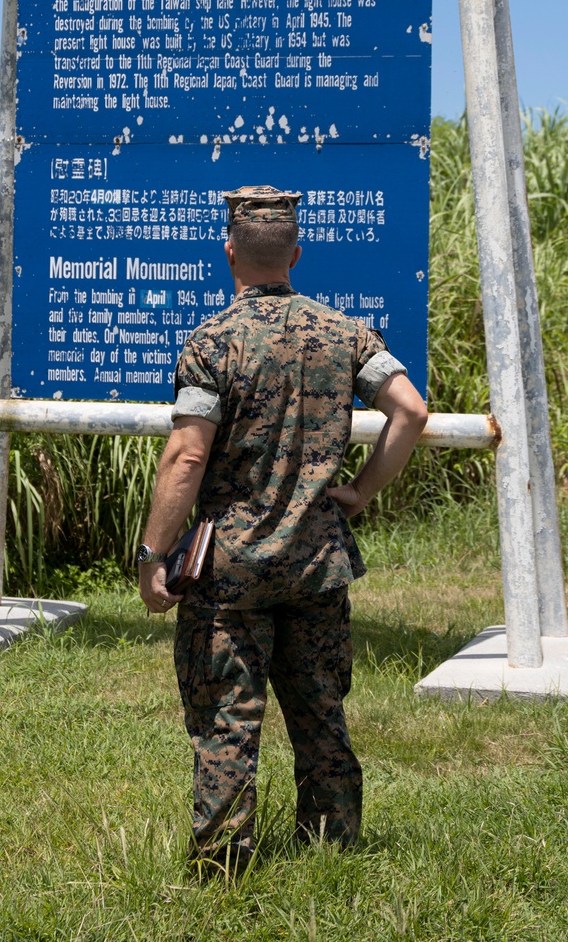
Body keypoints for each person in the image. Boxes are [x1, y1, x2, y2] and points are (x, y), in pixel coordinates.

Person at [136, 184, 428, 872]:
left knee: (228, 720)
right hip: (317, 562)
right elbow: (410, 412)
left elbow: (187, 452)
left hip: (230, 573)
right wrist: (358, 491)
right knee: (320, 709)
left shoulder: (212, 342)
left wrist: (153, 554)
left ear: (230, 253)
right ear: (296, 253)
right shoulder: (345, 333)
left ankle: (221, 864)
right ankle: (332, 847)